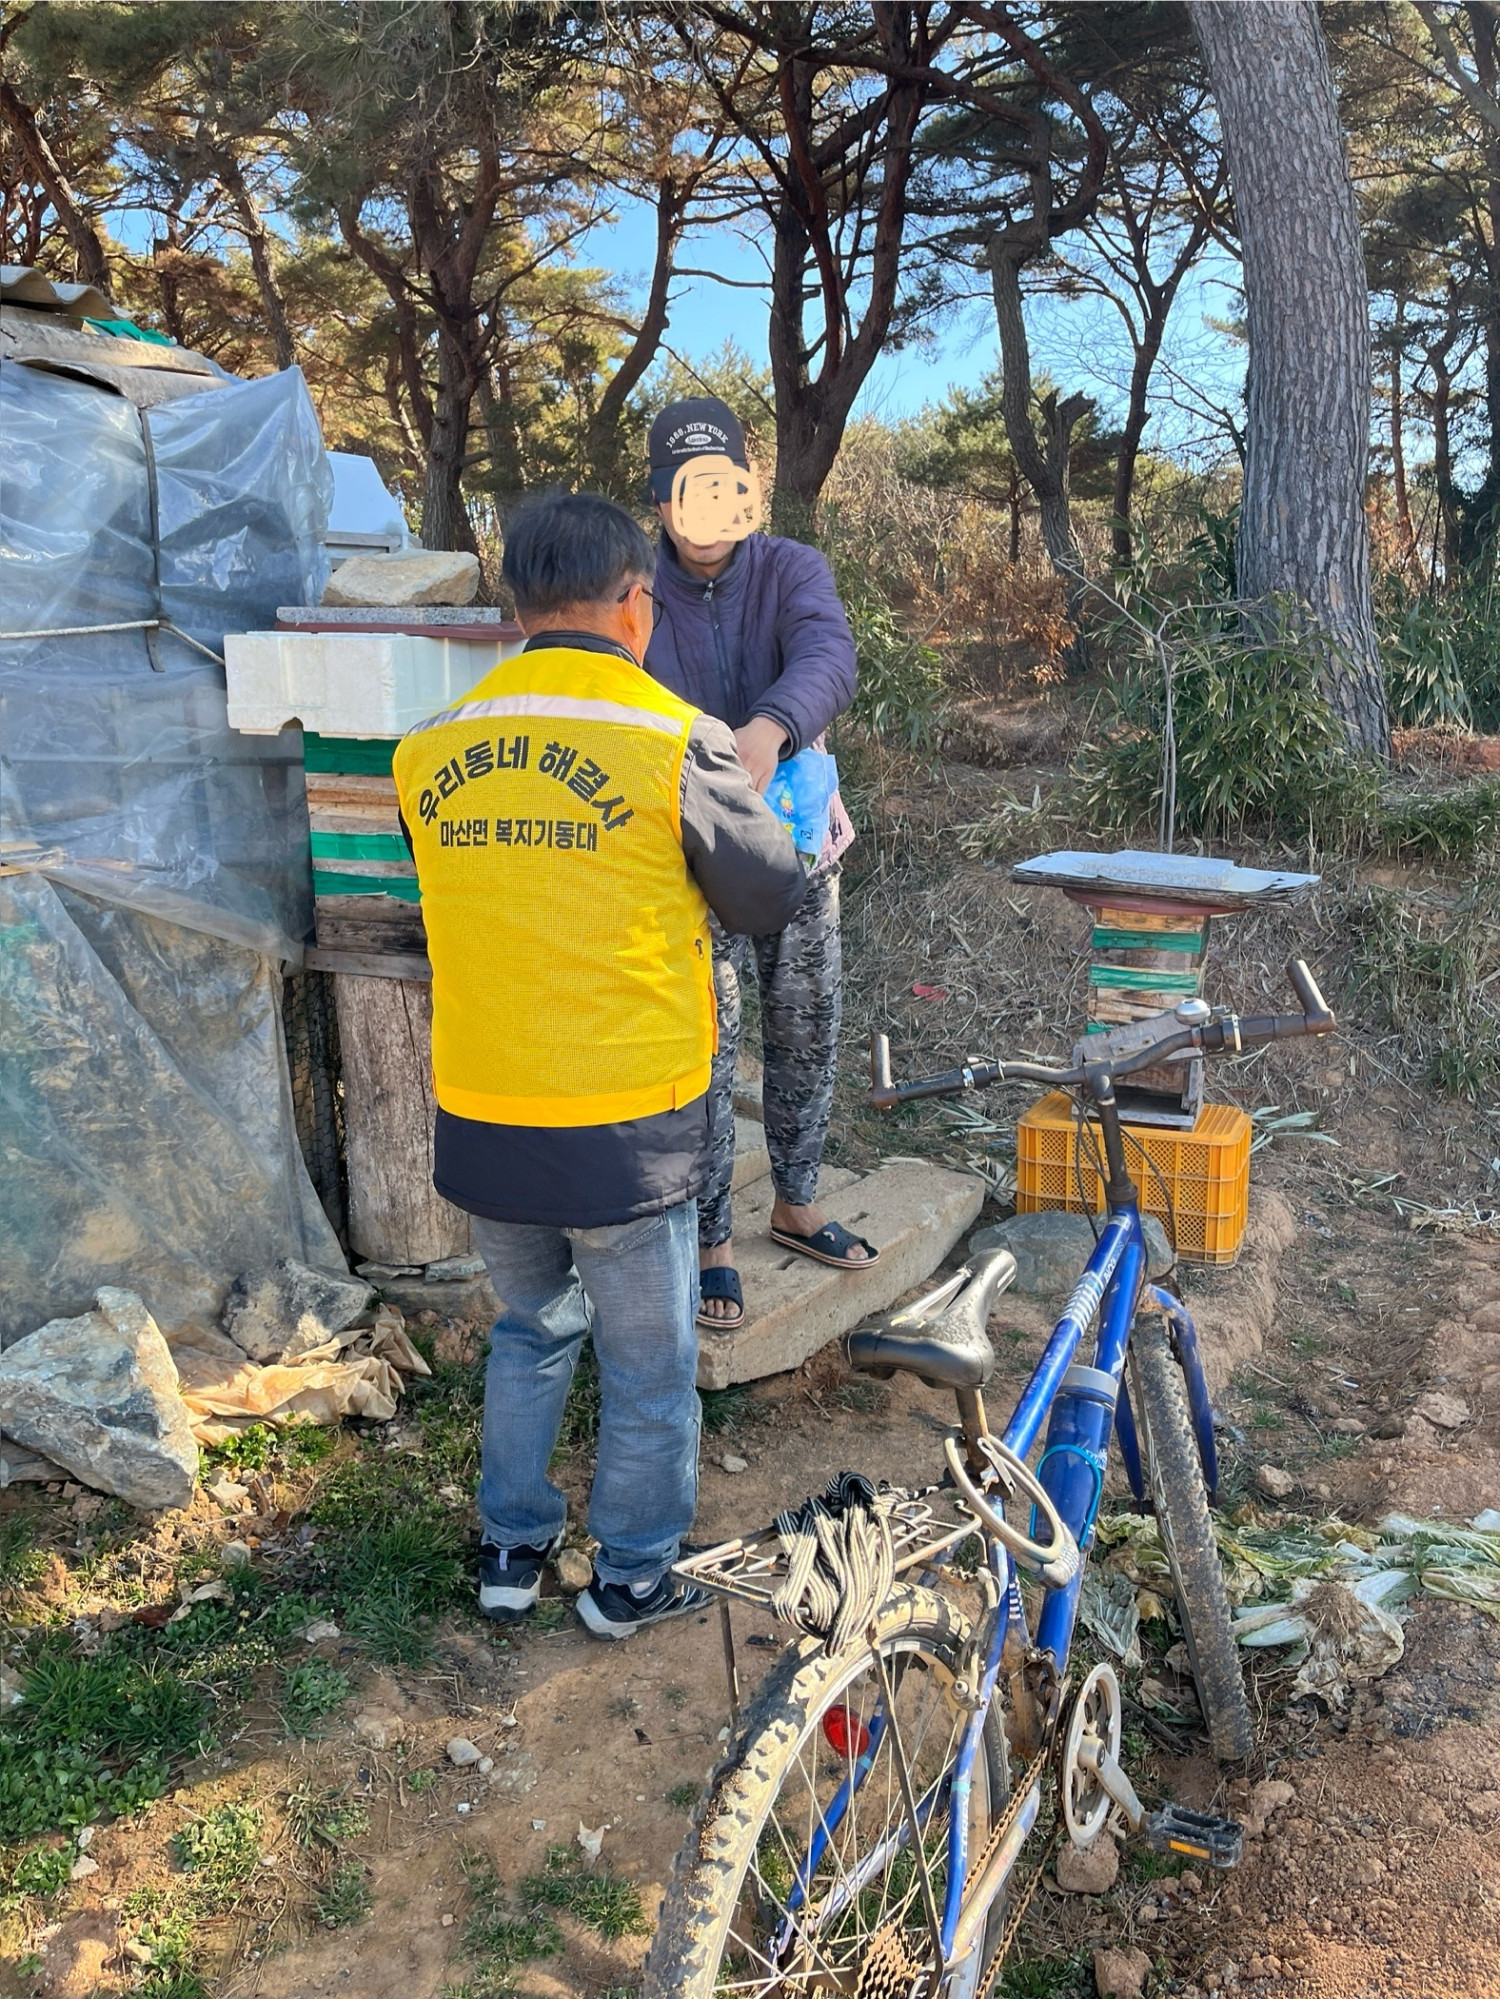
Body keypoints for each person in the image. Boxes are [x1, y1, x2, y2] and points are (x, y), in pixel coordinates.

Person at [393, 491, 806, 1638]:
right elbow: (769, 892)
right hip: (623, 1127)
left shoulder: (428, 748)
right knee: (648, 1366)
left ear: (519, 607)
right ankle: (630, 1577)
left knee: (531, 1327)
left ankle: (511, 1551)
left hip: (484, 1113)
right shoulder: (674, 737)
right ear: (635, 605)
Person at [644, 395, 877, 1332]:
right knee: (705, 1041)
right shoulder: (632, 587)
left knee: (805, 1019)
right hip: (682, 854)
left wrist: (773, 725)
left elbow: (830, 654)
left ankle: (797, 1199)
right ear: (659, 500)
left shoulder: (791, 568)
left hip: (793, 841)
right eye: (685, 490)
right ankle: (709, 1237)